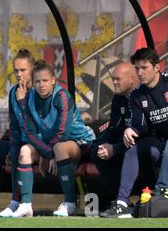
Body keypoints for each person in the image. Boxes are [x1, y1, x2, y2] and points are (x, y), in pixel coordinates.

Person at [15, 60, 95, 217]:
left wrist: (50, 153)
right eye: (37, 81)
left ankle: (70, 203)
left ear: (53, 80)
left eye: (45, 80)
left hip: (80, 143)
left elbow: (63, 132)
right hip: (52, 147)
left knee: (60, 147)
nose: (41, 85)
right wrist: (48, 153)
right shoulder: (30, 97)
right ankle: (25, 204)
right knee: (24, 150)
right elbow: (30, 133)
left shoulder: (62, 96)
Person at [101, 48, 168, 218]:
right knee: (132, 144)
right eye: (137, 68)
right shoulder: (137, 96)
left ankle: (162, 192)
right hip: (159, 144)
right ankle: (122, 203)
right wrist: (132, 130)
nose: (140, 72)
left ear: (157, 67)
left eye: (144, 67)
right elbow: (141, 125)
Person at [0, 49, 34, 217]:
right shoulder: (13, 91)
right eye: (16, 70)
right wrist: (12, 143)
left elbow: (36, 126)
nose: (19, 74)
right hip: (17, 142)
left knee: (17, 151)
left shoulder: (38, 91)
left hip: (35, 144)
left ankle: (19, 202)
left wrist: (22, 102)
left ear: (32, 69)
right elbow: (14, 126)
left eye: (23, 70)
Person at [90, 62, 138, 207]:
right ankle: (121, 201)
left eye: (118, 79)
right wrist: (102, 146)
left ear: (132, 79)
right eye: (113, 79)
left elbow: (142, 134)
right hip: (122, 144)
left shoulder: (141, 98)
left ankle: (123, 201)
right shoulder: (118, 98)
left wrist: (115, 149)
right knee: (97, 151)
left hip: (139, 146)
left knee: (131, 149)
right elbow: (113, 127)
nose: (114, 82)